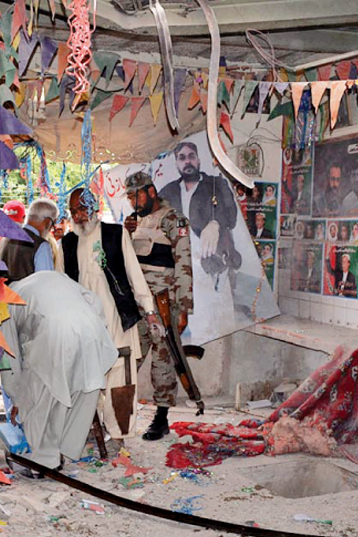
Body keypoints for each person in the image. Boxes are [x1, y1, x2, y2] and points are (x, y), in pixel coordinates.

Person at [63, 188, 158, 442]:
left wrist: (149, 311)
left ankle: (119, 435)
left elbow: (134, 274)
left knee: (120, 380)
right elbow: (63, 285)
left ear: (94, 208)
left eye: (83, 209)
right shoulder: (68, 242)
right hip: (85, 327)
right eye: (74, 211)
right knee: (88, 381)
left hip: (117, 321)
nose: (79, 215)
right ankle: (89, 432)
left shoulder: (116, 234)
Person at [0, 271, 118, 473]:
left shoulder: (6, 302)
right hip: (91, 330)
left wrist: (17, 399)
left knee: (40, 402)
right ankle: (63, 450)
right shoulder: (49, 275)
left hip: (56, 336)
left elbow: (9, 357)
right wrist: (95, 326)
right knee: (81, 389)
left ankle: (45, 464)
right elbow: (93, 300)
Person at [123, 172, 193, 441]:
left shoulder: (173, 219)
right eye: (129, 196)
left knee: (163, 363)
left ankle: (161, 418)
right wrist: (126, 234)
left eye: (136, 195)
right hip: (139, 305)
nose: (132, 201)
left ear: (151, 192)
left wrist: (183, 309)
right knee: (130, 360)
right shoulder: (136, 223)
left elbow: (184, 264)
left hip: (165, 304)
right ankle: (121, 417)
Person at [157, 141, 240, 282]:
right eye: (182, 158)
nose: (187, 161)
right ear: (177, 163)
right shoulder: (168, 192)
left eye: (191, 156)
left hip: (216, 265)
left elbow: (231, 217)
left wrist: (216, 223)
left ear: (198, 160)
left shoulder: (217, 184)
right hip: (179, 268)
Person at [0, 200, 57, 282]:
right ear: (47, 222)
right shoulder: (41, 245)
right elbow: (46, 282)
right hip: (29, 294)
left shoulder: (6, 239)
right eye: (53, 224)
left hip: (5, 293)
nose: (52, 228)